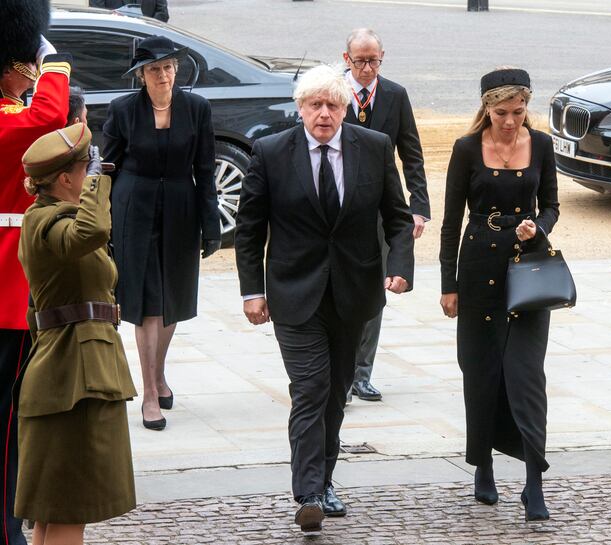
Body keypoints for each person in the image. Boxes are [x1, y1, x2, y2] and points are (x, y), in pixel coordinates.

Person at [235, 64, 414, 534]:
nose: (324, 114)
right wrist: (252, 291)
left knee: (335, 392)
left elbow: (397, 217)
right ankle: (309, 492)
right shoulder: (272, 152)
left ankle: (325, 479)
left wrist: (399, 266)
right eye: (314, 105)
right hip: (294, 295)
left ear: (346, 108)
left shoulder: (373, 149)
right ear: (300, 109)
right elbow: (250, 230)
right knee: (311, 388)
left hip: (353, 293)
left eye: (333, 105)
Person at [439, 67, 559, 522]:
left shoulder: (541, 144)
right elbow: (451, 222)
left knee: (527, 377)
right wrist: (448, 285)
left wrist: (538, 226)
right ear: (486, 108)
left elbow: (551, 203)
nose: (511, 121)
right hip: (477, 270)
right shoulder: (466, 149)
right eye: (502, 112)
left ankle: (534, 482)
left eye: (519, 111)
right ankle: (483, 464)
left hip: (526, 270)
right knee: (481, 371)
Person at [16, 122, 137, 545]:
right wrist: (99, 184)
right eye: (87, 169)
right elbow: (90, 232)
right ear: (67, 179)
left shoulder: (43, 218)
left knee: (55, 511)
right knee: (68, 509)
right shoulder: (49, 222)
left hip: (68, 373)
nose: (93, 175)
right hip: (76, 380)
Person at [102, 35, 220, 431]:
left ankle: (159, 372)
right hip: (134, 207)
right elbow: (107, 167)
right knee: (147, 300)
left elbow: (205, 169)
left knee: (173, 295)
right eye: (155, 69)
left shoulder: (198, 108)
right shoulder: (123, 110)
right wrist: (101, 220)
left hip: (181, 207)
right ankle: (149, 392)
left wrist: (211, 223)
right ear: (141, 75)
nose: (164, 74)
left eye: (169, 67)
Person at [0, 1, 70, 542]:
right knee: (9, 426)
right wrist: (52, 60)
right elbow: (47, 117)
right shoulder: (7, 118)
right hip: (8, 290)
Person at [342, 28, 430, 402]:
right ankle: (339, 373)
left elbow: (411, 152)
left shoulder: (394, 95)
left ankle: (362, 374)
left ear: (382, 57)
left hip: (380, 206)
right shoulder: (331, 93)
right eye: (359, 61)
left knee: (374, 290)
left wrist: (419, 207)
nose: (366, 68)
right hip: (338, 208)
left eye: (373, 61)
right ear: (346, 59)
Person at [89, 0, 169, 21]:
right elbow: (98, 14)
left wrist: (147, 30)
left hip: (147, 43)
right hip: (116, 45)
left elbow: (163, 14)